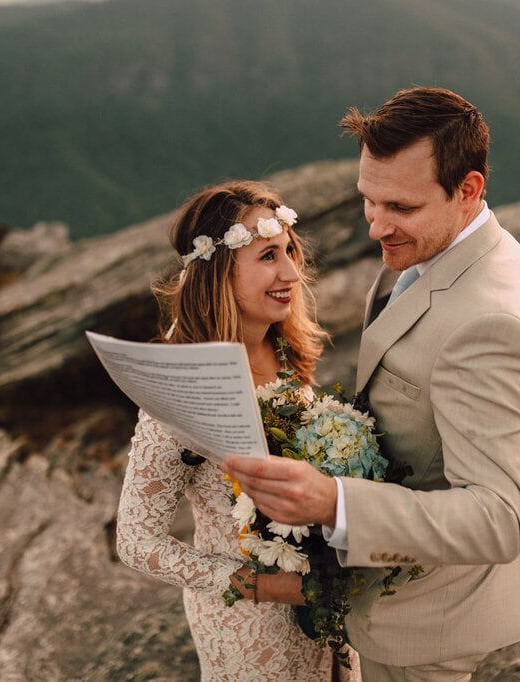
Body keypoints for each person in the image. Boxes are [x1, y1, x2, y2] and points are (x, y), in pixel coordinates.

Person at [224, 87, 520, 679]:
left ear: (469, 189)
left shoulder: (488, 322)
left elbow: (500, 519)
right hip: (395, 589)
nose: (376, 226)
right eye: (367, 201)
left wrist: (334, 502)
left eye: (399, 207)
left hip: (428, 621)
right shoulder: (441, 247)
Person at [115, 180, 360, 680]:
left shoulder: (286, 352)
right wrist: (260, 585)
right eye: (269, 256)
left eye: (291, 251)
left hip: (329, 615)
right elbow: (136, 540)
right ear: (219, 271)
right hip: (249, 633)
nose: (292, 272)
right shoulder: (182, 383)